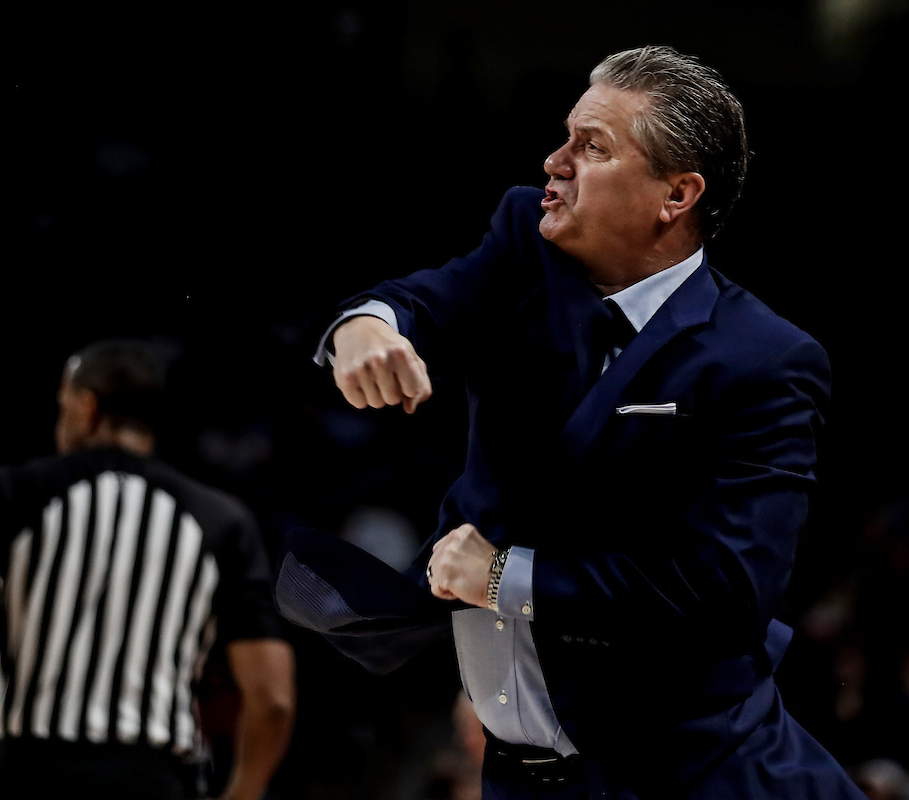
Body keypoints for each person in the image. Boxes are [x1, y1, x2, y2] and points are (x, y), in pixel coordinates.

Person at [278, 44, 867, 799]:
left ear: (676, 195)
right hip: (522, 778)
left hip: (685, 775)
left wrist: (503, 578)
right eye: (566, 136)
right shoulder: (527, 240)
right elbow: (429, 298)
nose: (556, 161)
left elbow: (725, 596)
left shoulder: (765, 359)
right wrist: (369, 324)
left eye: (593, 147)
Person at [0, 340, 296, 800]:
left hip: (28, 773)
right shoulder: (221, 520)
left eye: (62, 406)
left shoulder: (16, 491)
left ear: (87, 408)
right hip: (151, 779)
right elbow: (274, 700)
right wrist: (243, 792)